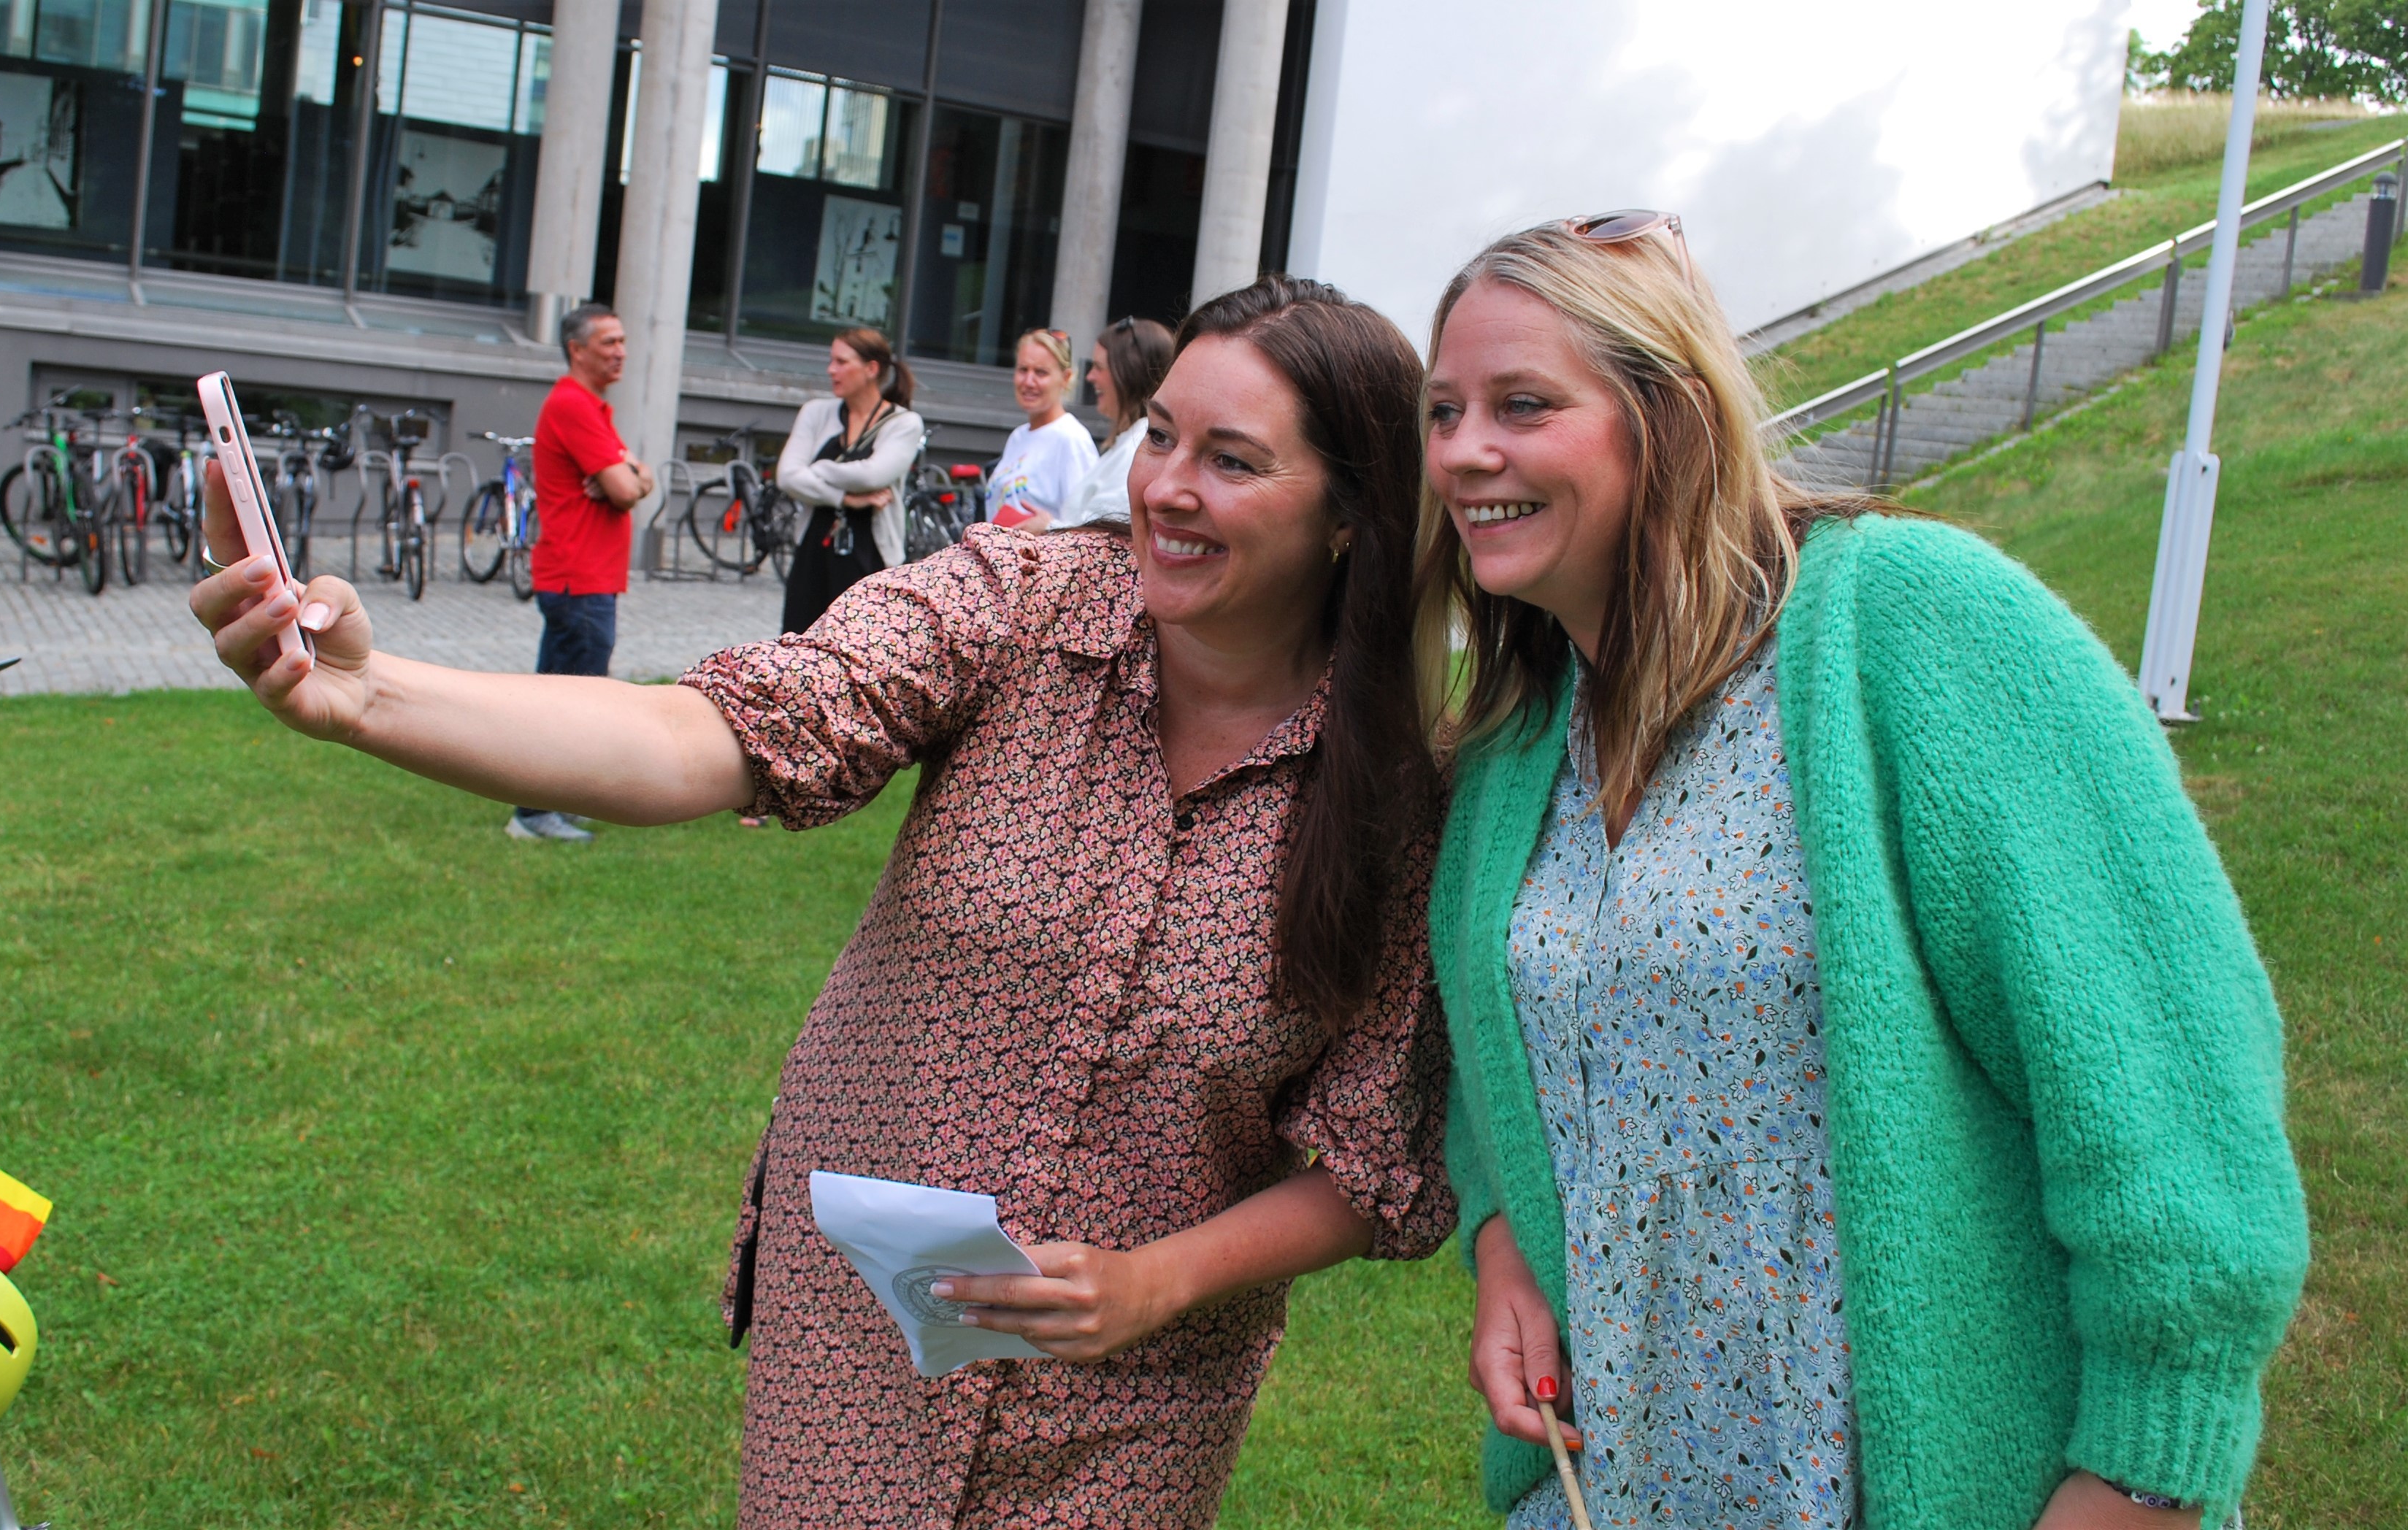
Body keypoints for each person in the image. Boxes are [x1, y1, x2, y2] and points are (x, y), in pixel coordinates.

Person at [191, 275, 1454, 1526]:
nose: (1166, 486)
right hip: (863, 1330)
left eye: (1232, 461)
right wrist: (370, 696)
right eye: (1161, 435)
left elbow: (1372, 1154)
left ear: (1348, 512)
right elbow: (714, 733)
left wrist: (1153, 1284)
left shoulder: (1399, 786)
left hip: (1134, 1395)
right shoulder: (1016, 606)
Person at [1422, 215, 2308, 1529]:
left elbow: (2165, 1075)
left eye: (1523, 405)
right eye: (1442, 412)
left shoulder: (1913, 624)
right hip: (1620, 1489)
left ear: (1665, 415)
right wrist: (1501, 1235)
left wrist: (2145, 1469)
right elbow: (1501, 1059)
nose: (1463, 453)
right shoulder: (1520, 737)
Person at [511, 302, 654, 842]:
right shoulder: (572, 404)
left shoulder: (593, 408)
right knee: (568, 703)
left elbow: (640, 478)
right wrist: (629, 479)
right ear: (577, 349)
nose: (620, 352)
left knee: (567, 696)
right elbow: (625, 488)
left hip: (588, 578)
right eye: (608, 343)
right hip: (578, 578)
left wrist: (633, 476)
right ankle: (533, 813)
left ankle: (552, 802)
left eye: (622, 341)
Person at [775, 326, 925, 635]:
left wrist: (818, 468)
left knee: (858, 642)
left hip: (869, 553)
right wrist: (845, 498)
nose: (832, 370)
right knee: (799, 641)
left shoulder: (903, 423)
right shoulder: (816, 413)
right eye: (831, 361)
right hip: (814, 550)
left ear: (871, 369)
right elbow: (787, 476)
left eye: (842, 362)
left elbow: (874, 474)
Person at [1061, 316, 1173, 530]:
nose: (1090, 377)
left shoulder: (1141, 443)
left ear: (1128, 374)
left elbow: (1104, 533)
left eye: (1099, 367)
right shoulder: (1131, 441)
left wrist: (1046, 526)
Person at [984, 327, 1097, 531]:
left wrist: (1048, 528)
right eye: (1023, 370)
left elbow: (1087, 526)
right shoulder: (1018, 437)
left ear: (1065, 378)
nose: (1029, 381)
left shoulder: (1071, 439)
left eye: (1041, 372)